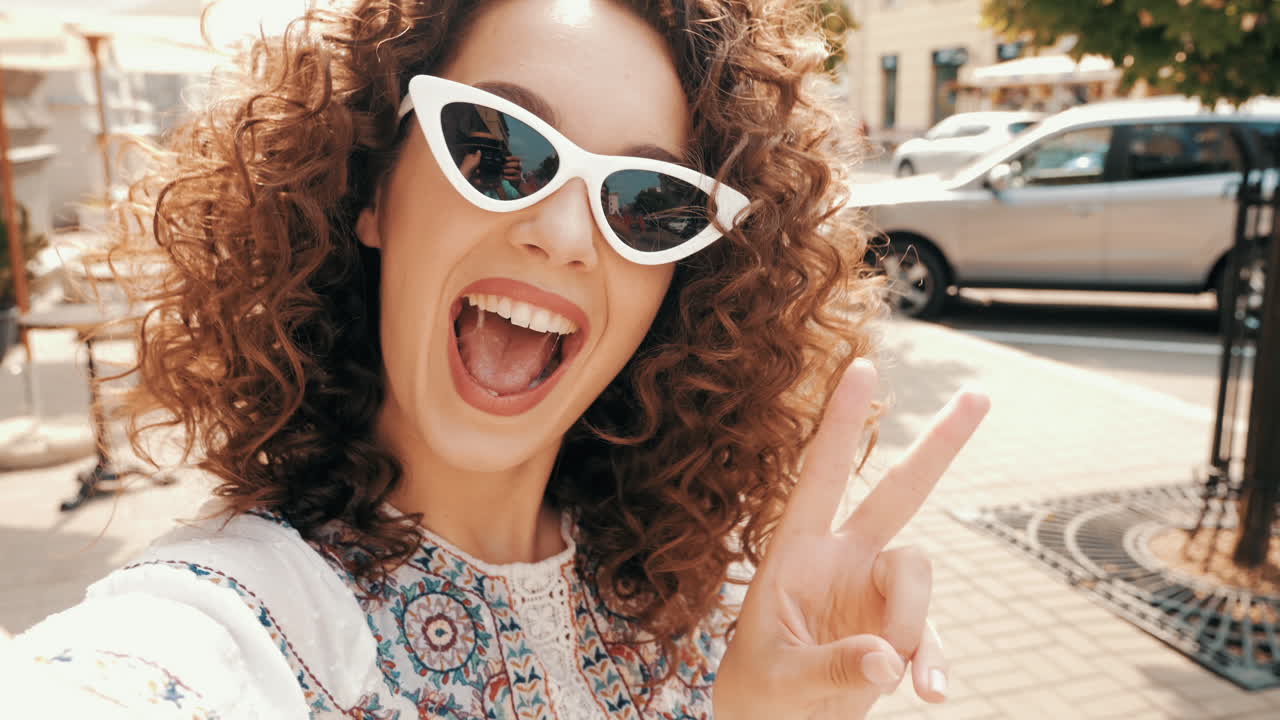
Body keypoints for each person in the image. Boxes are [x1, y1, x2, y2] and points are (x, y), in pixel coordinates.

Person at [0, 0, 989, 717]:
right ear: (372, 190)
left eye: (649, 201)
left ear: (674, 287)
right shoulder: (234, 626)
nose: (563, 234)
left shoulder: (723, 606)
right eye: (498, 146)